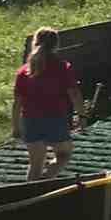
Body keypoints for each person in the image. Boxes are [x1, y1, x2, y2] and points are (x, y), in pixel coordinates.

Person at [12, 27, 86, 182]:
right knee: (64, 154)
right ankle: (46, 180)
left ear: (35, 43)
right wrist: (81, 115)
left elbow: (17, 103)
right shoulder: (62, 67)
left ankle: (31, 191)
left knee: (35, 164)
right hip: (55, 118)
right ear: (56, 45)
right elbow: (74, 94)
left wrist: (16, 127)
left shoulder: (24, 71)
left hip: (29, 120)